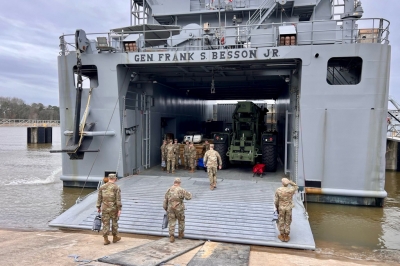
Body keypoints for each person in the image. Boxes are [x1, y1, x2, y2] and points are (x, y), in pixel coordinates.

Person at [163, 178, 192, 243]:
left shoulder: (169, 189)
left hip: (170, 208)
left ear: (174, 182)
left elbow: (165, 199)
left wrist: (165, 208)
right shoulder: (181, 190)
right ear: (179, 183)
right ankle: (180, 234)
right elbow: (188, 197)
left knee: (171, 222)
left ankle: (171, 236)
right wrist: (190, 193)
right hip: (179, 208)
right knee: (181, 220)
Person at [96, 173, 122, 245]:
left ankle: (106, 239)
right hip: (114, 209)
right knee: (114, 223)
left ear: (108, 178)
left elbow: (99, 198)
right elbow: (118, 200)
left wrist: (98, 207)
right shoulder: (116, 187)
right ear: (115, 179)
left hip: (104, 208)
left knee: (105, 223)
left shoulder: (102, 187)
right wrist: (119, 209)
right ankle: (115, 237)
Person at [274, 178, 298, 242]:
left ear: (282, 183)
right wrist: (290, 182)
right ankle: (286, 235)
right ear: (287, 183)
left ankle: (281, 235)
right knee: (288, 221)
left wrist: (276, 207)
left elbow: (276, 201)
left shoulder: (278, 190)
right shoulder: (291, 190)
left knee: (281, 220)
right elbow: (296, 186)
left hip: (281, 207)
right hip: (288, 207)